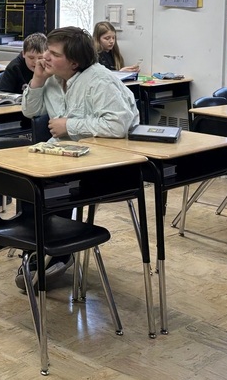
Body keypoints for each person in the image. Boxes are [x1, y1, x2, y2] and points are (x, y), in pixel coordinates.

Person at [18, 27, 140, 291]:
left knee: (51, 188)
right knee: (26, 182)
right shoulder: (51, 77)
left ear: (74, 62)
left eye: (53, 53)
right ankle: (35, 250)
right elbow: (30, 110)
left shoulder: (99, 81)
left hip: (102, 162)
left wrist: (69, 126)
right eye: (46, 51)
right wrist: (37, 79)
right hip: (65, 155)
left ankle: (58, 253)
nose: (45, 57)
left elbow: (118, 125)